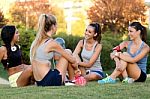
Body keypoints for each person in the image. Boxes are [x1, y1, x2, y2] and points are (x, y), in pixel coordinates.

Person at [30, 14, 79, 86]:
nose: (57, 27)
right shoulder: (52, 43)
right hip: (50, 80)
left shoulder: (36, 42)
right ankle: (72, 80)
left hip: (39, 82)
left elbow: (56, 57)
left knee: (66, 55)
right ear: (53, 26)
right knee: (68, 52)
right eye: (56, 25)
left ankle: (70, 80)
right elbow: (72, 60)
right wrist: (76, 69)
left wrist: (68, 62)